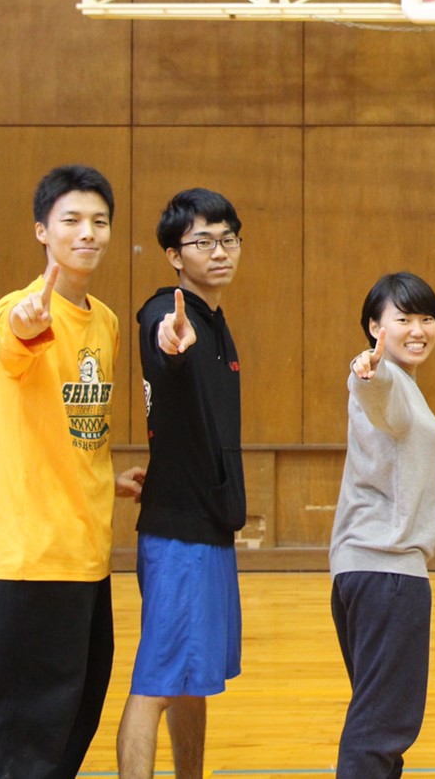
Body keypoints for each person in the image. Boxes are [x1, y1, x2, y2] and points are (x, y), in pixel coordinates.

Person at [0, 164, 144, 779]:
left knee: (73, 716)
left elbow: (77, 425)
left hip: (90, 552)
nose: (87, 233)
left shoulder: (106, 322)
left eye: (99, 222)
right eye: (70, 220)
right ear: (42, 230)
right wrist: (26, 324)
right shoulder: (16, 311)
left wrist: (108, 478)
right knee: (21, 730)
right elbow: (17, 345)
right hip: (38, 555)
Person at [116, 188, 248, 779]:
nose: (218, 251)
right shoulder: (166, 314)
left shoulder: (217, 323)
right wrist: (169, 348)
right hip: (178, 536)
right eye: (202, 241)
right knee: (157, 683)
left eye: (228, 239)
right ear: (175, 254)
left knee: (191, 681)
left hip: (210, 529)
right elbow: (161, 345)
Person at [329, 272, 435, 777]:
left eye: (426, 318)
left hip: (366, 572)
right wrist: (367, 371)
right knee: (380, 730)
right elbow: (372, 385)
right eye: (403, 319)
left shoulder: (408, 386)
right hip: (389, 575)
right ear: (375, 326)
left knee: (377, 721)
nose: (418, 329)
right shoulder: (387, 378)